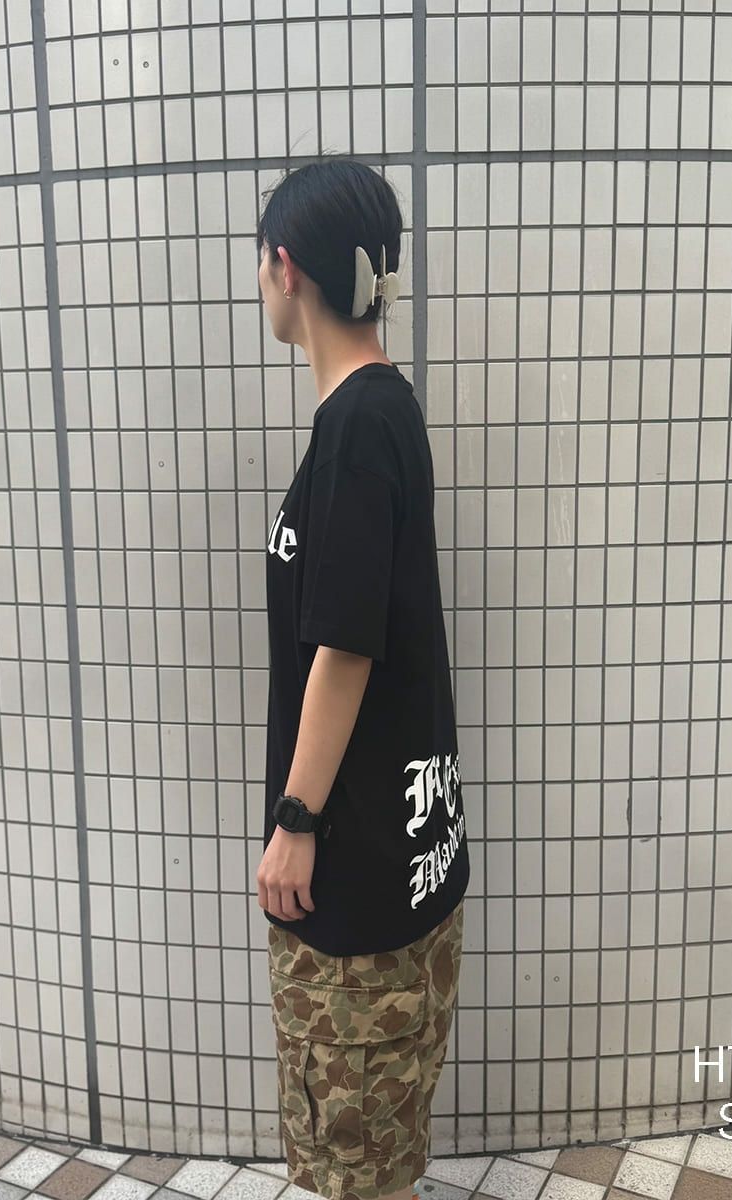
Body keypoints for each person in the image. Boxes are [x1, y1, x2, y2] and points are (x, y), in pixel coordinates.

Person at [255, 154, 471, 1200]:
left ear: (285, 266)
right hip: (405, 857)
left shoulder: (356, 426)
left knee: (354, 1165)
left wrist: (296, 817)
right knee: (381, 1155)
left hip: (355, 872)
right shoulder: (383, 411)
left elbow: (345, 649)